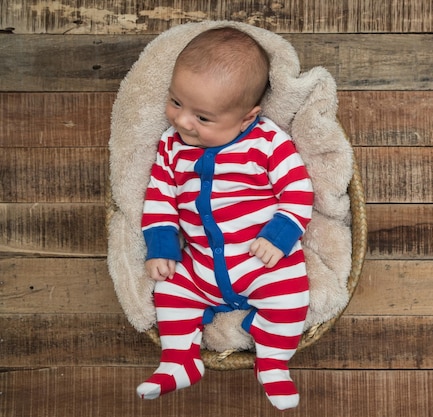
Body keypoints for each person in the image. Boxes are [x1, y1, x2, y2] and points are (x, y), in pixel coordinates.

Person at [137, 27, 314, 411]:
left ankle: (273, 362)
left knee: (291, 296)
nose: (183, 122)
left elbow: (298, 191)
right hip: (199, 264)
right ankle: (179, 360)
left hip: (260, 259)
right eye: (175, 102)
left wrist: (279, 236)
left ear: (247, 116)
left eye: (202, 117)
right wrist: (162, 247)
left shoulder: (267, 141)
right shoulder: (170, 146)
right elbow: (159, 197)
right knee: (168, 288)